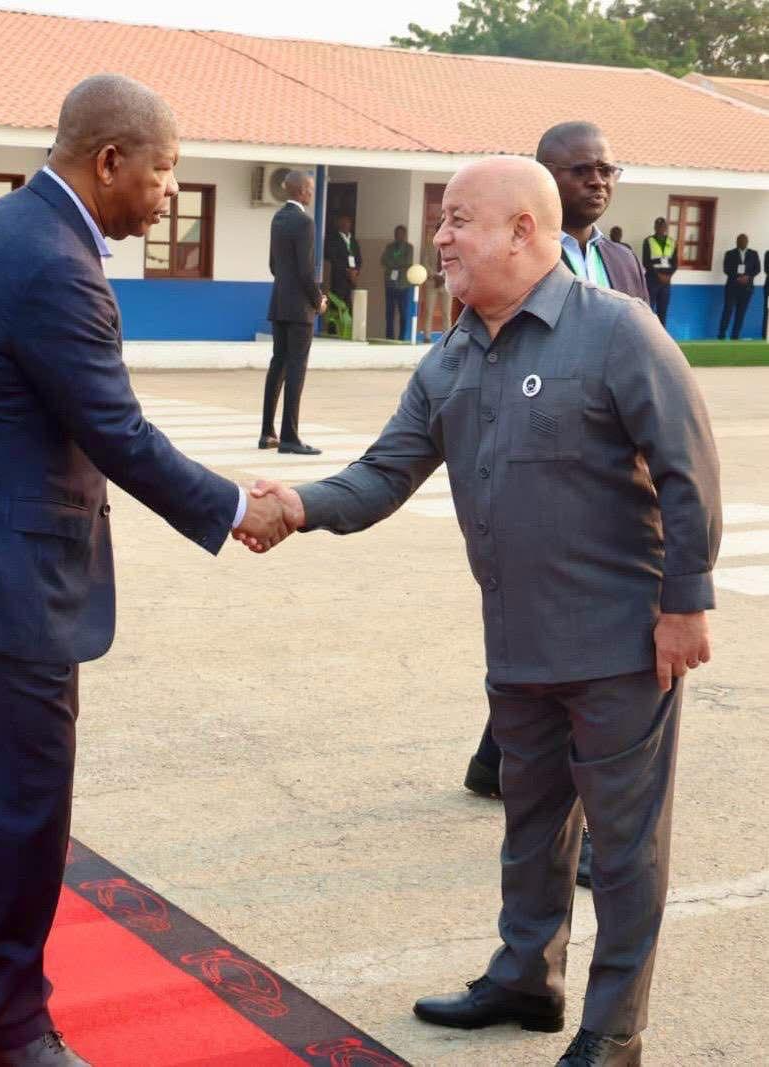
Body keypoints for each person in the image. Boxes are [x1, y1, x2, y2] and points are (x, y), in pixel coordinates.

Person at [246, 157, 720, 1067]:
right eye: (442, 220)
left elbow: (687, 471)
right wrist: (296, 505)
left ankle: (614, 1028)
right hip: (518, 643)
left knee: (621, 848)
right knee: (530, 827)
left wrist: (684, 606)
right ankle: (525, 978)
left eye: (460, 219)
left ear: (523, 232)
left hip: (622, 644)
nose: (441, 237)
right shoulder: (453, 354)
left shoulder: (617, 333)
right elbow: (384, 472)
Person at [0, 74, 287, 1067]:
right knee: (33, 794)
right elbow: (114, 427)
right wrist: (233, 505)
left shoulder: (18, 227)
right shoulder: (52, 260)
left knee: (11, 762)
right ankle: (10, 1022)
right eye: (163, 171)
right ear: (109, 160)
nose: (167, 193)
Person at [465, 120, 649, 890]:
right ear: (541, 183)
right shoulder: (501, 265)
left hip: (610, 484)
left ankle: (501, 767)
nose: (598, 183)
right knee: (544, 649)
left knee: (582, 655)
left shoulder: (620, 263)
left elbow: (648, 362)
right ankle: (510, 770)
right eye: (581, 171)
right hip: (536, 481)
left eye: (607, 170)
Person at [260, 170, 326, 456]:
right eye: (310, 188)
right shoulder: (305, 222)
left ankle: (267, 433)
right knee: (296, 369)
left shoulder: (278, 219)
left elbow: (274, 265)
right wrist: (318, 300)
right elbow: (305, 270)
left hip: (279, 304)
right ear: (301, 191)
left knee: (278, 366)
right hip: (300, 310)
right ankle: (289, 438)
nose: (312, 193)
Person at [719, 234, 760, 339]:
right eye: (740, 240)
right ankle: (721, 334)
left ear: (747, 242)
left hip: (747, 288)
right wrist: (737, 277)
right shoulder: (730, 254)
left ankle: (735, 336)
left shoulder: (753, 254)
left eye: (744, 240)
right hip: (732, 287)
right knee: (728, 310)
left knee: (741, 313)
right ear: (736, 242)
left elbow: (757, 269)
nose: (742, 242)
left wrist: (748, 277)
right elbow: (726, 269)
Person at [642, 217, 677, 327]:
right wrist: (659, 275)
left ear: (666, 228)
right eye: (658, 226)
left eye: (662, 226)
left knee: (663, 311)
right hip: (652, 280)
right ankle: (649, 336)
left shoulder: (672, 242)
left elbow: (675, 262)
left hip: (666, 281)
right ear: (654, 227)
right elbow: (646, 261)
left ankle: (661, 339)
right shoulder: (648, 241)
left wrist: (669, 276)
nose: (660, 228)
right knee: (648, 310)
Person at [381, 224, 414, 340]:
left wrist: (393, 264)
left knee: (403, 314)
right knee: (389, 313)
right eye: (396, 234)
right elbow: (383, 260)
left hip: (403, 285)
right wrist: (397, 264)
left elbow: (407, 262)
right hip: (390, 284)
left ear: (404, 235)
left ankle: (401, 337)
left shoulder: (409, 247)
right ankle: (389, 337)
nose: (398, 236)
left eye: (401, 234)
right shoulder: (389, 247)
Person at [326, 214, 361, 309]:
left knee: (349, 307)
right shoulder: (334, 239)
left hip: (351, 280)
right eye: (343, 223)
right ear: (339, 224)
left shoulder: (353, 241)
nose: (346, 225)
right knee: (337, 307)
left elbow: (358, 258)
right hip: (339, 279)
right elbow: (334, 258)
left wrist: (356, 271)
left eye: (348, 223)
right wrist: (347, 271)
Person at [421, 247, 452, 340]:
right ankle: (427, 336)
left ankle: (446, 337)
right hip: (431, 283)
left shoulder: (451, 248)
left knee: (446, 312)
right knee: (428, 311)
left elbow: (453, 264)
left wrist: (443, 276)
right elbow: (425, 264)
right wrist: (435, 275)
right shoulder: (428, 249)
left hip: (446, 283)